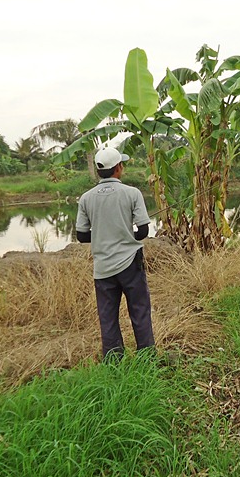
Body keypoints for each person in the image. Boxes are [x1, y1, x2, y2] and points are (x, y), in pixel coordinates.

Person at [76, 147, 154, 359]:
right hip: (130, 263)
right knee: (139, 310)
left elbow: (82, 236)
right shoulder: (132, 193)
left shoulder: (86, 198)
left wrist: (104, 236)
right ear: (118, 168)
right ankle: (146, 357)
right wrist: (124, 235)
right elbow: (144, 231)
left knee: (107, 316)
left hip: (102, 267)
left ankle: (113, 360)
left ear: (100, 171)